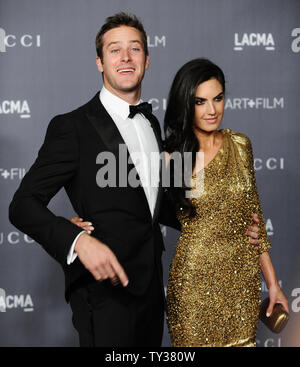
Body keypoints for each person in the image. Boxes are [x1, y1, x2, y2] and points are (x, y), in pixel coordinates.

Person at [9, 12, 261, 347]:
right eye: (115, 50)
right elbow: (22, 206)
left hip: (152, 291)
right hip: (104, 293)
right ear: (100, 62)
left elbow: (163, 207)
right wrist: (77, 240)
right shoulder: (72, 127)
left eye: (135, 49)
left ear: (147, 59)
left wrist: (232, 223)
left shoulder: (153, 125)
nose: (126, 58)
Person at [163, 58, 289, 347]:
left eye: (218, 98)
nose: (212, 110)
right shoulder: (171, 157)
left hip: (242, 284)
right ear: (187, 104)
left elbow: (254, 217)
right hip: (194, 282)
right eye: (201, 101)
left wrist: (272, 284)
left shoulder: (241, 145)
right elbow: (131, 207)